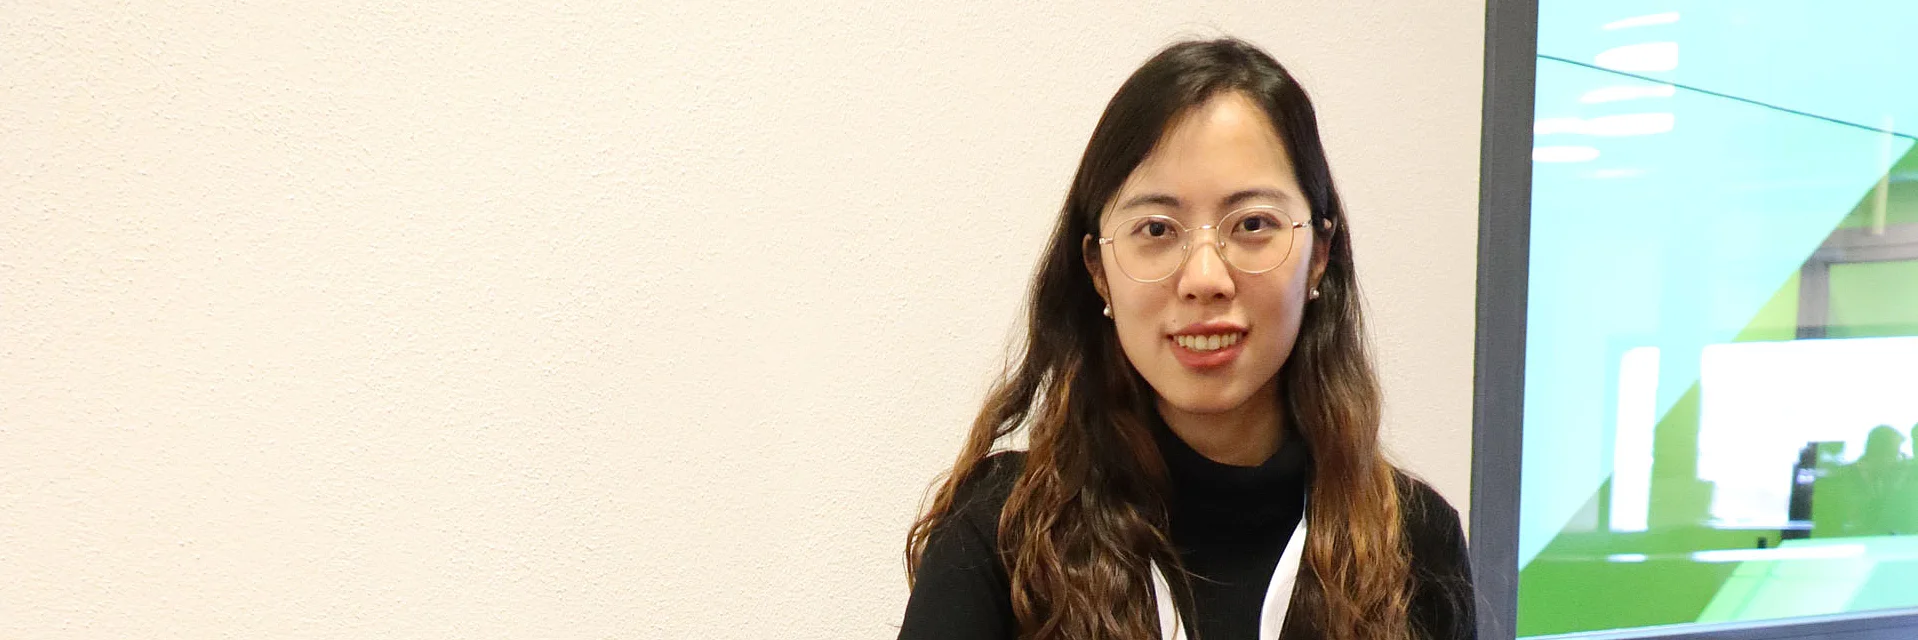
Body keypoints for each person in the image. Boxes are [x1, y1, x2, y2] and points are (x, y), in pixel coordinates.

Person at [895, 38, 1475, 640]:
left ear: (1320, 256)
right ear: (1097, 268)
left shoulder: (1413, 544)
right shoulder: (1002, 537)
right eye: (1156, 228)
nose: (1205, 278)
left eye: (1253, 224)